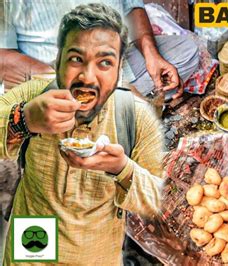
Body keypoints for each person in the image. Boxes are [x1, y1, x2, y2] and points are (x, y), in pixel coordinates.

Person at [1, 4, 166, 264]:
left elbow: (157, 195)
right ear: (60, 58)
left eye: (104, 63)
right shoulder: (31, 96)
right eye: (76, 58)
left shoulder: (134, 115)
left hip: (96, 247)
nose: (88, 78)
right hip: (38, 228)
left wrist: (122, 168)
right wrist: (25, 119)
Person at [0, 0, 200, 100]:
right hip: (55, 76)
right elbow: (4, 58)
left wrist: (151, 53)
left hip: (116, 59)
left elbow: (131, 6)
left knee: (188, 51)